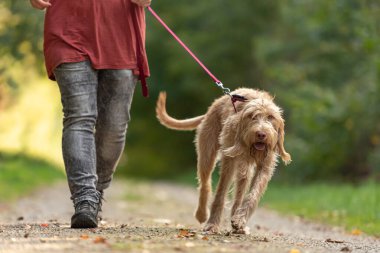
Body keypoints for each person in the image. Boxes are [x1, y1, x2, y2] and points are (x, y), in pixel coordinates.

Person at [30, 0, 151, 228]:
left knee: (114, 126)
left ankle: (96, 190)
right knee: (79, 116)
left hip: (121, 35)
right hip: (68, 29)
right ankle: (85, 199)